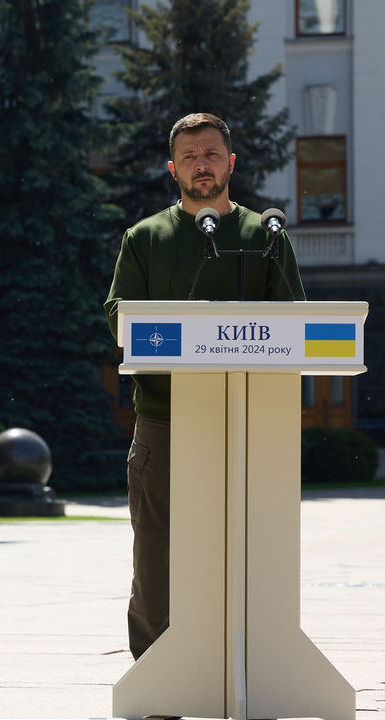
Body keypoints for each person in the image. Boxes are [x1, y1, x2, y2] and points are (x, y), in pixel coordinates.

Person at [103, 112, 306, 660]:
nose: (202, 165)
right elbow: (120, 315)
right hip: (167, 421)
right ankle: (157, 671)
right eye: (190, 157)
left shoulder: (266, 235)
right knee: (157, 555)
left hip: (250, 421)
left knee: (255, 551)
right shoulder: (144, 238)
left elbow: (296, 320)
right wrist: (188, 328)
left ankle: (259, 671)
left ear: (231, 162)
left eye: (212, 154)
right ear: (173, 169)